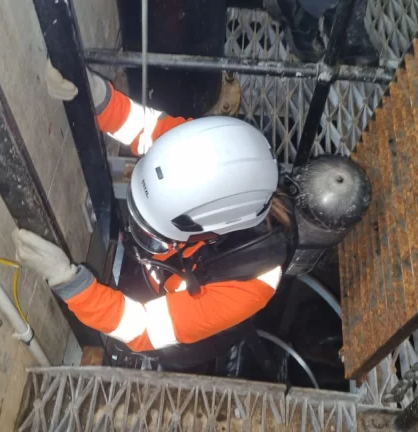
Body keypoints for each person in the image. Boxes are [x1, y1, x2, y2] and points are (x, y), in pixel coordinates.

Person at [15, 68, 294, 359]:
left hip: (180, 330)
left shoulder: (250, 285)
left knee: (165, 350)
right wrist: (95, 95)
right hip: (167, 269)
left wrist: (69, 282)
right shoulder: (207, 154)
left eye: (155, 235)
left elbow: (143, 328)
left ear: (211, 233)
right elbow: (145, 128)